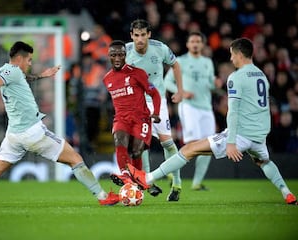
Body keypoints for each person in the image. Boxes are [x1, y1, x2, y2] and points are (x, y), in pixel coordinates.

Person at [0, 41, 119, 207]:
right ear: (19, 58)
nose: (30, 63)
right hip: (33, 132)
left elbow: (23, 78)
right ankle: (103, 197)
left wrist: (42, 75)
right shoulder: (11, 72)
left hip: (14, 136)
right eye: (29, 60)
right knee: (76, 160)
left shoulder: (9, 71)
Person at [126, 37, 297, 205]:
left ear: (239, 55)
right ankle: (286, 192)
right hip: (258, 136)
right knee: (264, 161)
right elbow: (263, 109)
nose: (231, 59)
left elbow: (233, 112)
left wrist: (231, 142)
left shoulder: (236, 77)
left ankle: (147, 178)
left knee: (189, 149)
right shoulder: (262, 76)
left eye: (232, 55)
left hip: (239, 135)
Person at [125, 19, 183, 198]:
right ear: (131, 36)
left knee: (167, 142)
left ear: (149, 34)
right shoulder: (125, 51)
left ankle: (177, 184)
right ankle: (147, 182)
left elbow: (175, 65)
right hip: (137, 103)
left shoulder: (161, 48)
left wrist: (180, 91)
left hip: (157, 101)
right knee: (141, 142)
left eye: (143, 35)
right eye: (137, 35)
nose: (140, 39)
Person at [163, 32, 222, 199]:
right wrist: (181, 92)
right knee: (193, 143)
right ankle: (171, 173)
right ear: (188, 44)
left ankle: (197, 183)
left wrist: (216, 84)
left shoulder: (208, 62)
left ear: (202, 45)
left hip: (206, 108)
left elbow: (210, 84)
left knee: (208, 144)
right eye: (192, 41)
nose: (195, 44)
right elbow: (167, 82)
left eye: (198, 41)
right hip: (189, 107)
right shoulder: (180, 61)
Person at [103, 40, 161, 186]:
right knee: (119, 139)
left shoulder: (138, 73)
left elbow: (154, 94)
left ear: (125, 55)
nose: (117, 58)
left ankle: (137, 181)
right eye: (113, 55)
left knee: (136, 151)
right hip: (121, 118)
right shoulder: (107, 79)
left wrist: (156, 113)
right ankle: (125, 175)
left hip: (141, 119)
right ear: (108, 56)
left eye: (120, 55)